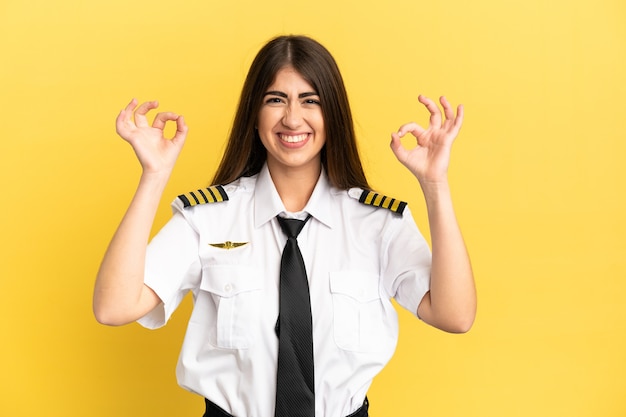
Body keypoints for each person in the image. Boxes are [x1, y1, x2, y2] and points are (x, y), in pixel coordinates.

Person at [93, 35, 476, 417]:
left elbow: (454, 315)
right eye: (275, 100)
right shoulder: (208, 218)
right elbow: (114, 307)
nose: (292, 118)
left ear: (333, 115)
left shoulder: (376, 223)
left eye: (311, 100)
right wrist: (154, 176)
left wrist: (435, 185)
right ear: (254, 115)